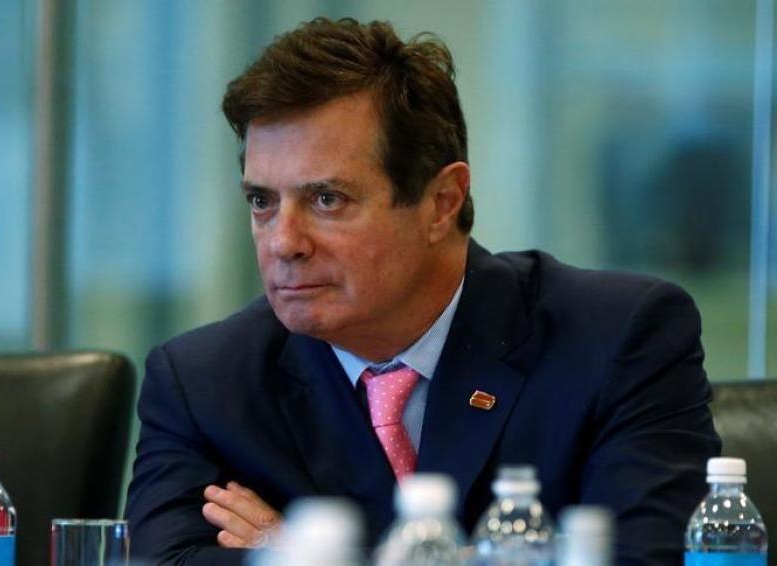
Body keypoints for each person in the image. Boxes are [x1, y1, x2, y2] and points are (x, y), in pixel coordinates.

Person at [125, 17, 720, 565]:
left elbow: (647, 559)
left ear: (441, 203)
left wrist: (299, 553)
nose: (284, 242)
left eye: (326, 200)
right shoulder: (203, 384)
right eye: (262, 202)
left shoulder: (617, 340)